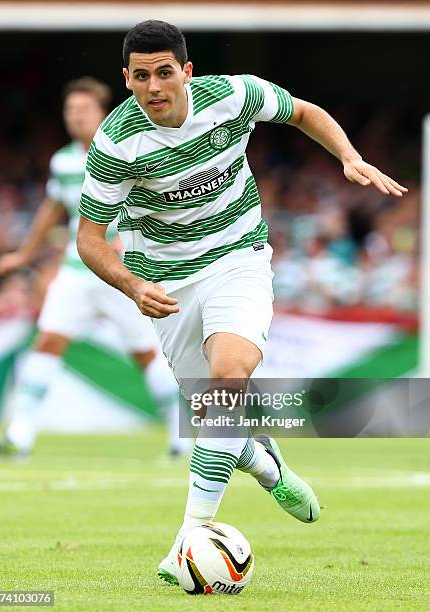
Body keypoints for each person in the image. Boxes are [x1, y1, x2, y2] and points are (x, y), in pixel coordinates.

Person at [76, 21, 407, 585]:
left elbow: (305, 112)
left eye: (164, 73)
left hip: (239, 258)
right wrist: (133, 285)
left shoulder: (233, 95)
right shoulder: (115, 144)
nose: (154, 86)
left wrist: (347, 157)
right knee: (213, 415)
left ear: (187, 71)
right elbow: (89, 238)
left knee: (229, 380)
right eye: (141, 76)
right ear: (126, 79)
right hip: (168, 285)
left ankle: (189, 536)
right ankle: (264, 462)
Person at [0, 77, 188, 459]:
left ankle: (182, 437)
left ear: (102, 113)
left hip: (123, 274)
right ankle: (20, 435)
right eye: (70, 111)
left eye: (83, 110)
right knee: (47, 341)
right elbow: (53, 208)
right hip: (77, 272)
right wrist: (25, 254)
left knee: (146, 353)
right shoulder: (62, 161)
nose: (75, 117)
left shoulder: (127, 148)